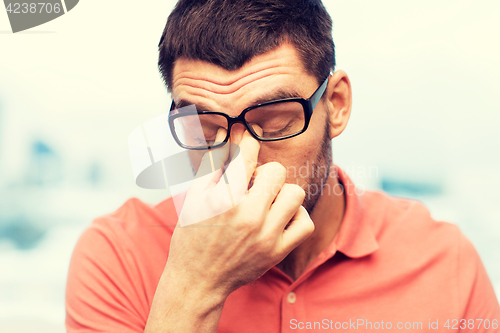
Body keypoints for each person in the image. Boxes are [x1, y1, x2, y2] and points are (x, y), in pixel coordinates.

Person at [65, 0, 500, 332]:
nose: (240, 159)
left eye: (273, 121)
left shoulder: (445, 262)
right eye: (204, 127)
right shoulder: (117, 255)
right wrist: (194, 284)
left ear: (337, 105)